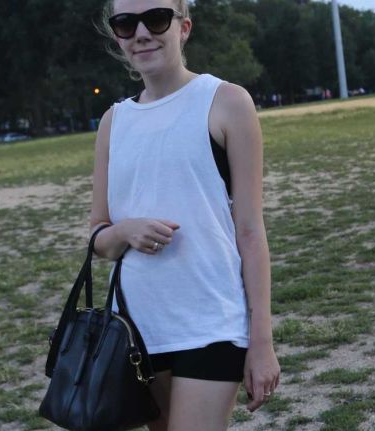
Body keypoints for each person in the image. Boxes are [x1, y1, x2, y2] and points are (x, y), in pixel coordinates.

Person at [89, 0, 280, 429]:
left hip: (212, 321)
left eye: (155, 19)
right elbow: (97, 236)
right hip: (139, 330)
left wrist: (261, 341)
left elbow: (250, 230)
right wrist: (126, 231)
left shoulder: (227, 102)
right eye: (125, 23)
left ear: (184, 27)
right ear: (118, 36)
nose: (141, 33)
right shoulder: (113, 122)